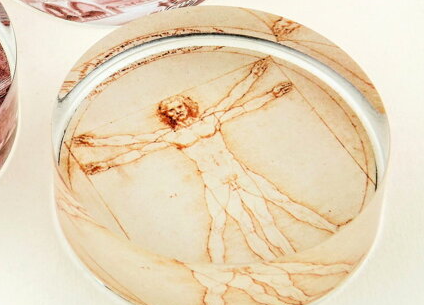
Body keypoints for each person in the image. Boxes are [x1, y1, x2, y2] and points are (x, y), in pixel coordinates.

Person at [72, 57, 338, 263]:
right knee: (231, 225)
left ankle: (329, 230)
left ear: (186, 105)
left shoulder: (211, 119)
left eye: (178, 106)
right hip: (215, 181)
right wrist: (101, 154)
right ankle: (223, 265)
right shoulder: (170, 136)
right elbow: (135, 145)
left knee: (277, 206)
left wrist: (264, 86)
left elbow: (238, 101)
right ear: (167, 116)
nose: (176, 112)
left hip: (239, 172)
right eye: (171, 111)